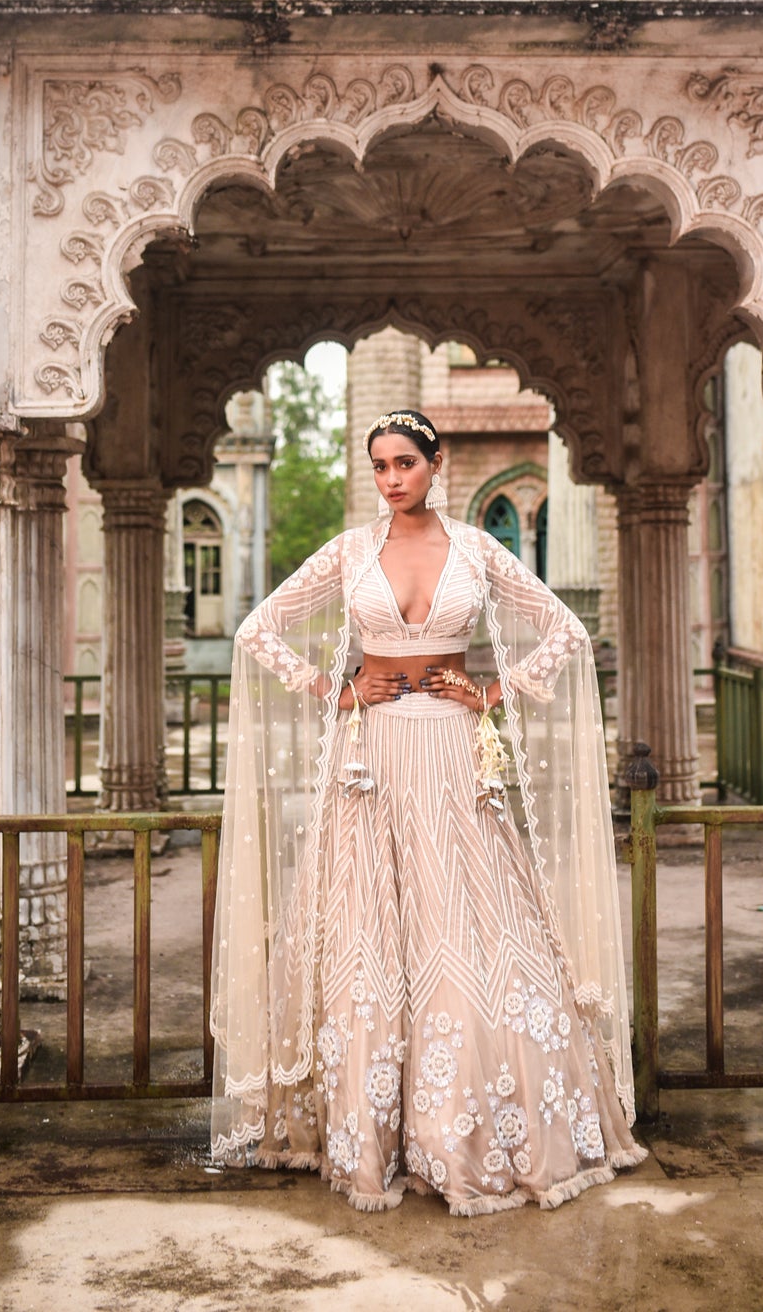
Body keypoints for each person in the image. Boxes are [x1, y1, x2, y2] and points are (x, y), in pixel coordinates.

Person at [209, 408, 646, 1215]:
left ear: (435, 464)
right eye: (379, 466)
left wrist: (492, 691)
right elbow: (257, 628)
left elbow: (565, 628)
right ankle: (368, 1135)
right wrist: (332, 688)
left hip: (452, 753)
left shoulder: (478, 549)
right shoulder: (350, 552)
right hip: (370, 758)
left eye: (405, 462)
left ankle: (459, 1134)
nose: (391, 479)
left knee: (464, 934)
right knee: (367, 937)